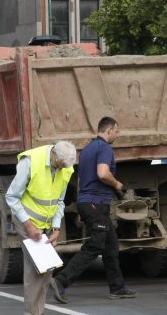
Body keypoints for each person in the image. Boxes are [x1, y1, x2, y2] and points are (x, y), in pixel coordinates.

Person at [50, 116, 136, 303]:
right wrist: (118, 184)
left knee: (111, 245)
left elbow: (81, 180)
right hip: (96, 203)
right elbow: (103, 173)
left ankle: (117, 287)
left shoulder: (87, 149)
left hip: (88, 202)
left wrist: (82, 208)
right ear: (109, 130)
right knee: (95, 245)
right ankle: (61, 281)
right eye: (116, 131)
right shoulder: (104, 148)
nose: (117, 135)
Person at [5, 140, 77, 315]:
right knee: (35, 270)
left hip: (45, 223)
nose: (62, 169)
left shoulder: (65, 168)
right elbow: (11, 197)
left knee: (46, 270)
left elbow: (59, 201)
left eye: (65, 166)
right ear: (53, 154)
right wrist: (28, 225)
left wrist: (56, 227)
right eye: (60, 164)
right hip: (26, 220)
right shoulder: (31, 161)